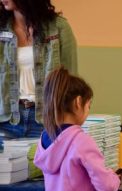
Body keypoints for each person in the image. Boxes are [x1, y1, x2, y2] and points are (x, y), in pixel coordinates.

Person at [34, 67, 120, 191]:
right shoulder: (82, 141)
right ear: (78, 102)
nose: (88, 112)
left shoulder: (44, 138)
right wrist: (115, 178)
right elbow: (106, 186)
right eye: (89, 106)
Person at [0, 0, 77, 145]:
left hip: (46, 121)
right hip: (5, 121)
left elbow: (71, 80)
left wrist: (68, 123)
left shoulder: (58, 28)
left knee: (41, 168)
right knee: (6, 168)